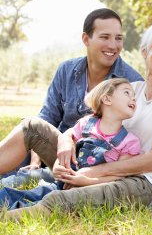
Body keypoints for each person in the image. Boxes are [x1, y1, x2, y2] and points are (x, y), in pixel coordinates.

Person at [0, 19, 152, 221]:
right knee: (33, 127)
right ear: (145, 51)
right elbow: (87, 125)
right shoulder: (132, 89)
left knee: (61, 200)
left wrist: (90, 175)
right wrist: (64, 146)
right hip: (96, 164)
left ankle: (9, 220)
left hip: (146, 184)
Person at [1, 8, 143, 185]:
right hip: (58, 150)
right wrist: (36, 159)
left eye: (118, 38)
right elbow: (47, 118)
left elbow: (131, 142)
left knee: (21, 177)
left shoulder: (132, 82)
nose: (113, 45)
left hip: (94, 165)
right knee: (27, 134)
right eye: (105, 37)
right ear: (86, 39)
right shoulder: (66, 70)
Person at [0, 78, 141, 208]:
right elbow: (65, 146)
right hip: (64, 181)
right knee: (33, 193)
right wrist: (57, 166)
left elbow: (119, 175)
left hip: (89, 190)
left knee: (47, 202)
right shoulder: (86, 124)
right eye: (127, 93)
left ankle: (17, 211)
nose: (133, 98)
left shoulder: (130, 142)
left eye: (134, 95)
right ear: (107, 99)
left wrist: (86, 181)